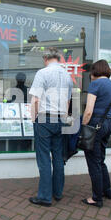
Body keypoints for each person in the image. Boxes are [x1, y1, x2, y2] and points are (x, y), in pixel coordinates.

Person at [28, 47, 73, 207]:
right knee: (58, 157)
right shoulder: (67, 76)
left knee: (44, 158)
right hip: (60, 119)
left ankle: (45, 196)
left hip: (45, 118)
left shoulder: (43, 73)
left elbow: (35, 100)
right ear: (58, 59)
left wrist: (34, 120)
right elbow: (68, 102)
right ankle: (58, 192)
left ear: (45, 58)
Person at [81, 60, 111, 208]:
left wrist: (83, 127)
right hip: (108, 123)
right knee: (101, 158)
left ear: (95, 71)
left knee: (93, 162)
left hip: (95, 125)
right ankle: (107, 190)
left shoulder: (95, 85)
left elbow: (89, 110)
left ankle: (97, 198)